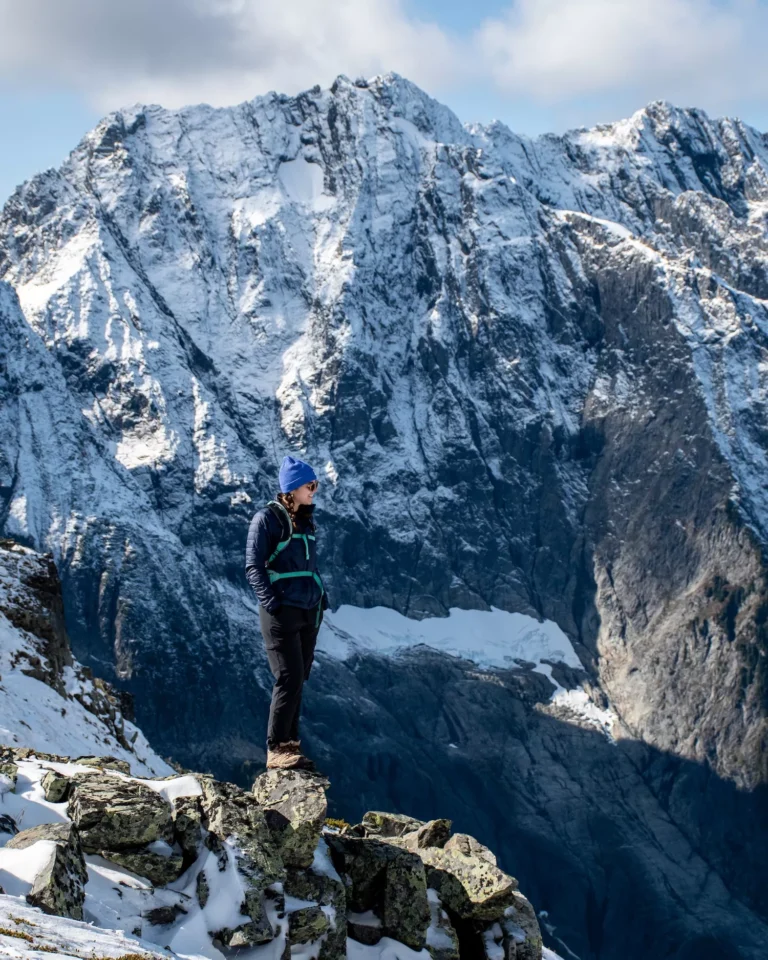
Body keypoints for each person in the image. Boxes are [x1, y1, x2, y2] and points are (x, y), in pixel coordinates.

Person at [245, 455, 329, 770]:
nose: (314, 491)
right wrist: (272, 603)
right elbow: (253, 566)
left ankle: (291, 744)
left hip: (309, 610)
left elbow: (308, 565)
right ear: (293, 488)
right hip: (281, 612)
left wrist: (320, 598)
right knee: (288, 676)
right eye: (311, 485)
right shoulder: (267, 519)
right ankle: (276, 748)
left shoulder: (306, 520)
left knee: (299, 677)